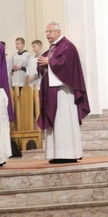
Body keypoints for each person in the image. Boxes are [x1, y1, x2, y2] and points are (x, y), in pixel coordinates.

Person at [37, 22, 90, 164]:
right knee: (56, 121)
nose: (47, 34)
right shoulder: (53, 47)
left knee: (64, 120)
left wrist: (49, 61)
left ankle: (68, 153)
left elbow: (66, 65)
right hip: (53, 90)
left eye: (50, 31)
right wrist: (42, 64)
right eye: (46, 31)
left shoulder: (67, 46)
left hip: (64, 92)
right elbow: (47, 63)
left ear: (58, 32)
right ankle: (56, 154)